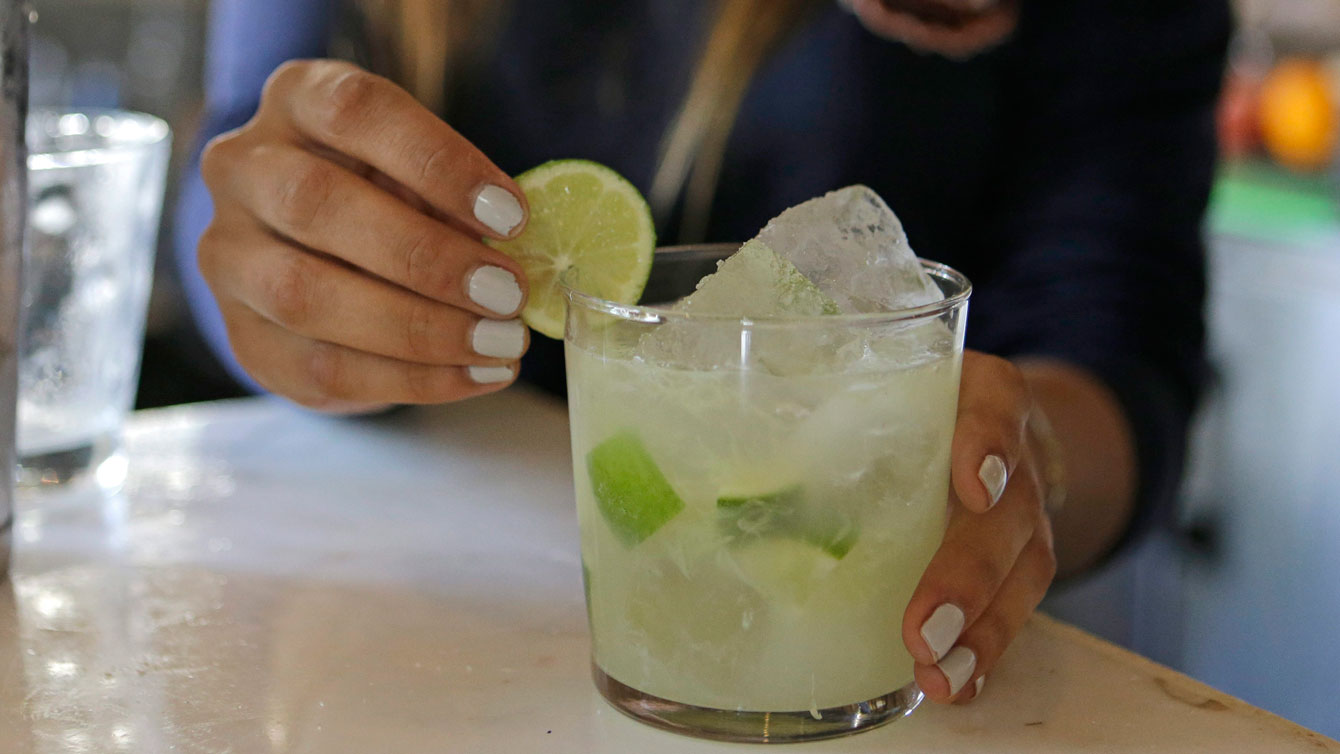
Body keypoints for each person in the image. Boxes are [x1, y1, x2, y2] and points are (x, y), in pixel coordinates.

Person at [176, 0, 1230, 706]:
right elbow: (242, 153)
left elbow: (1115, 330)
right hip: (427, 624)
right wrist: (273, 268)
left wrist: (1024, 455)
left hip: (893, 664)